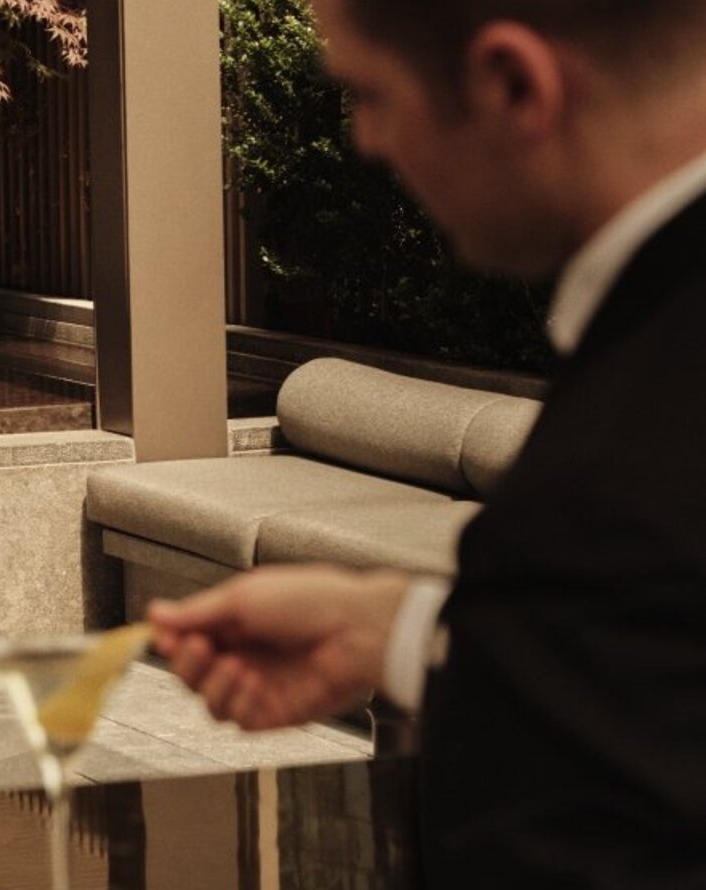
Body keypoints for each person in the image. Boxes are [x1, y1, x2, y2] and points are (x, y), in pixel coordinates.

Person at [150, 0, 706, 886]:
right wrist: (397, 630)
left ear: (512, 85)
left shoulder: (639, 434)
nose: (366, 141)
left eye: (373, 95)